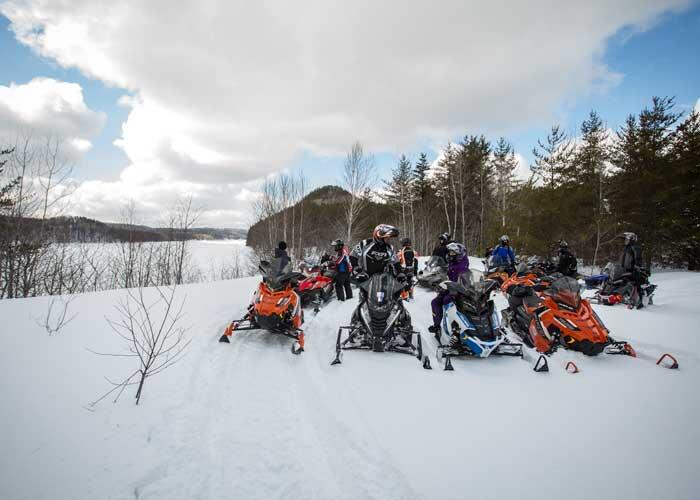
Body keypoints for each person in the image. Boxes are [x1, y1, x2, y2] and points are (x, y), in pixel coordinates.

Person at [428, 242, 470, 335]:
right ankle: (437, 326)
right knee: (435, 302)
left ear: (459, 254)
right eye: (450, 252)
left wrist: (448, 286)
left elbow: (462, 282)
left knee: (447, 301)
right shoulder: (454, 263)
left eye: (452, 253)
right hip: (451, 288)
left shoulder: (461, 266)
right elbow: (449, 276)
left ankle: (455, 328)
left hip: (460, 292)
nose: (450, 255)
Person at [620, 232, 645, 308]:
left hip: (633, 270)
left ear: (632, 240)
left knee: (636, 283)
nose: (625, 241)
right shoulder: (626, 248)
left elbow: (638, 258)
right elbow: (623, 260)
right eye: (625, 240)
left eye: (627, 240)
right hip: (625, 270)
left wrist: (637, 267)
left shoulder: (635, 248)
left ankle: (640, 300)